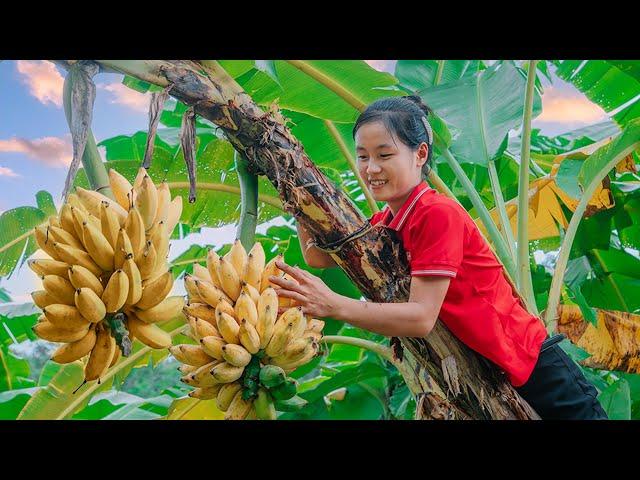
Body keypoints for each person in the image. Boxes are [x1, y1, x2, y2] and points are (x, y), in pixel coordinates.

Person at [268, 95, 607, 420]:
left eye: (385, 155)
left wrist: (332, 304)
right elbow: (319, 258)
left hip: (538, 371)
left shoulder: (436, 214)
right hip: (496, 377)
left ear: (420, 154)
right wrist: (298, 197)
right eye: (362, 156)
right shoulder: (386, 221)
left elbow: (421, 318)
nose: (371, 168)